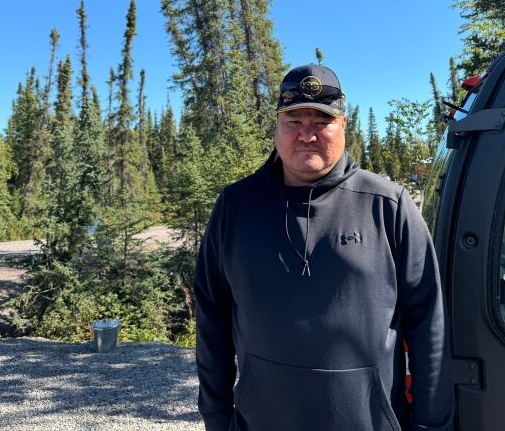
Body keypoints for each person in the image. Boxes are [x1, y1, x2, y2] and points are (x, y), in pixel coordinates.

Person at [194, 64, 453, 431]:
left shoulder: (388, 205)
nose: (306, 134)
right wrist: (217, 418)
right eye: (293, 121)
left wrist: (430, 426)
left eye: (321, 121)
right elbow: (211, 320)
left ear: (343, 125)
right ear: (276, 126)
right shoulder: (235, 206)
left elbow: (429, 326)